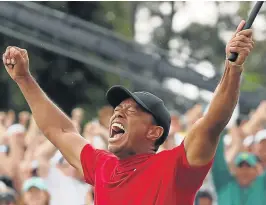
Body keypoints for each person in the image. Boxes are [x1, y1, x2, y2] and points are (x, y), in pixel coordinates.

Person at [2, 20, 253, 204]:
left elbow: (213, 122)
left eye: (130, 111)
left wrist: (233, 68)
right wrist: (24, 79)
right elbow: (59, 130)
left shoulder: (176, 167)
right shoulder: (103, 166)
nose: (117, 114)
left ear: (154, 131)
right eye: (117, 109)